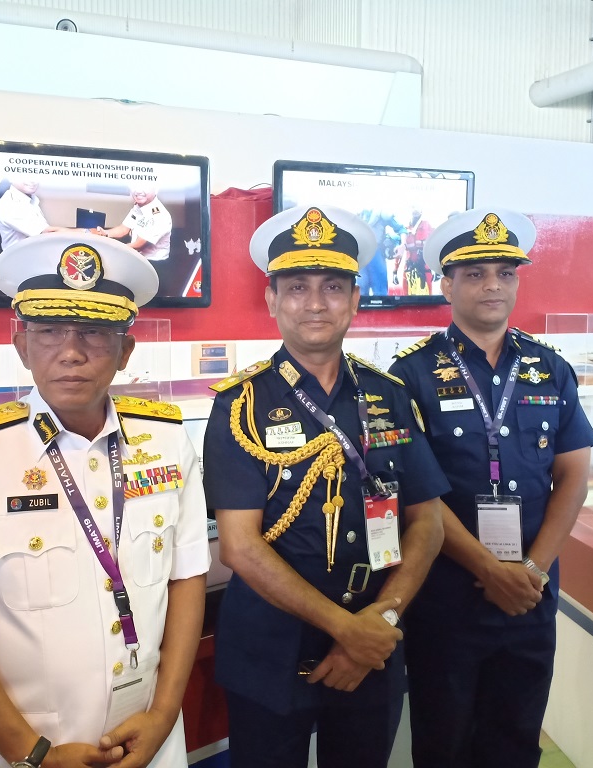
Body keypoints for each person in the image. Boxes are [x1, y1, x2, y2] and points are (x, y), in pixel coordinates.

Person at [0, 232, 210, 768]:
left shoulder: (166, 439)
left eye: (94, 332)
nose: (71, 352)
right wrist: (33, 755)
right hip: (23, 750)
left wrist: (163, 714)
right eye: (49, 331)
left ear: (126, 351)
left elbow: (187, 578)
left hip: (150, 739)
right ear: (22, 346)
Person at [203, 205, 449, 768]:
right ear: (271, 300)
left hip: (374, 636)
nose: (315, 303)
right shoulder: (240, 405)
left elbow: (428, 522)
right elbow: (239, 546)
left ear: (355, 300)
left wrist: (380, 622)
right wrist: (347, 630)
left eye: (333, 287)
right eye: (296, 288)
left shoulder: (388, 395)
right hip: (271, 648)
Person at [389, 208, 593, 768]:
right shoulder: (409, 375)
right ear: (446, 284)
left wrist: (531, 570)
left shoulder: (549, 368)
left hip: (530, 593)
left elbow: (573, 476)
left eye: (505, 273)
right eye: (475, 273)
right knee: (444, 743)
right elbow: (417, 495)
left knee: (516, 739)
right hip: (447, 595)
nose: (492, 286)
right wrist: (489, 568)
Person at [98, 185, 173, 262]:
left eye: (145, 186)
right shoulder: (138, 206)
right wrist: (105, 233)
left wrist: (113, 250)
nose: (138, 191)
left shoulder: (159, 215)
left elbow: (139, 245)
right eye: (135, 186)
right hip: (137, 257)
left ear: (156, 189)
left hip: (153, 263)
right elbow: (123, 229)